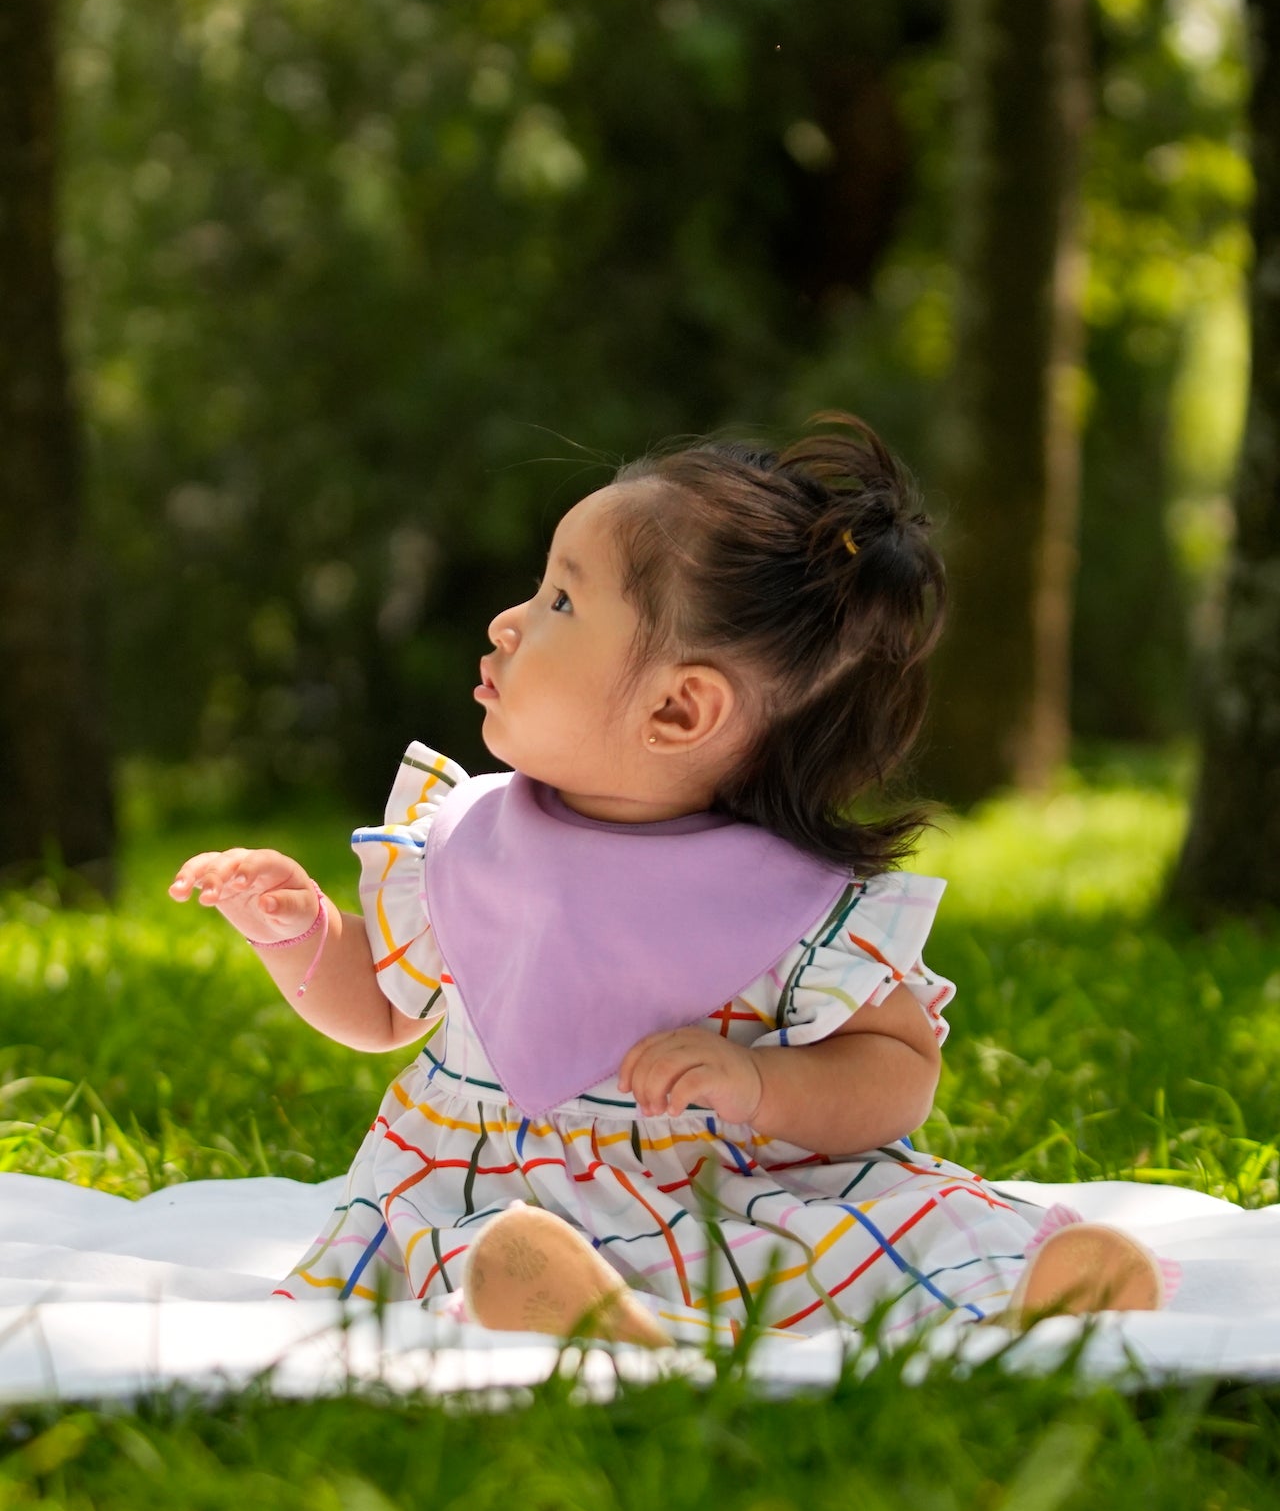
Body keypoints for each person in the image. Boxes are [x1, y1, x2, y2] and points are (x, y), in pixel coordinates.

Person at [169, 414, 1170, 1348]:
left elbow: (896, 1076)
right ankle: (582, 1309)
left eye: (560, 600)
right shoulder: (461, 841)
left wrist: (759, 1082)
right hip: (492, 1197)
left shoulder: (786, 904)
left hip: (731, 1190)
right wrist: (299, 935)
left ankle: (1034, 1286)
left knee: (861, 1234)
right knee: (485, 1253)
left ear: (680, 712)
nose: (509, 620)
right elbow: (387, 1015)